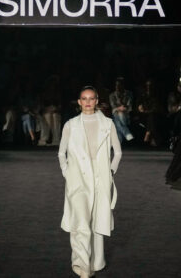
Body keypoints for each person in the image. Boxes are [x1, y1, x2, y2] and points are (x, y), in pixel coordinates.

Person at [58, 86, 122, 278]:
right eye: (84, 99)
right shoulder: (70, 125)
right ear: (79, 102)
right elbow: (61, 152)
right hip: (77, 177)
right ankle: (83, 266)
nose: (87, 102)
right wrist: (67, 172)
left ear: (96, 101)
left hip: (100, 177)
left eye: (91, 98)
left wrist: (110, 171)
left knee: (97, 221)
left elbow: (117, 152)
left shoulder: (108, 123)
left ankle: (94, 262)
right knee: (81, 223)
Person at [109, 77, 134, 142]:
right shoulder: (112, 95)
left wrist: (124, 108)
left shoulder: (129, 94)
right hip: (115, 112)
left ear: (123, 85)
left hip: (126, 112)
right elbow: (113, 106)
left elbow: (129, 104)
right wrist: (119, 108)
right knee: (119, 114)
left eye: (119, 85)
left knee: (118, 119)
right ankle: (127, 133)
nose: (117, 87)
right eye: (116, 85)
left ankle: (119, 140)